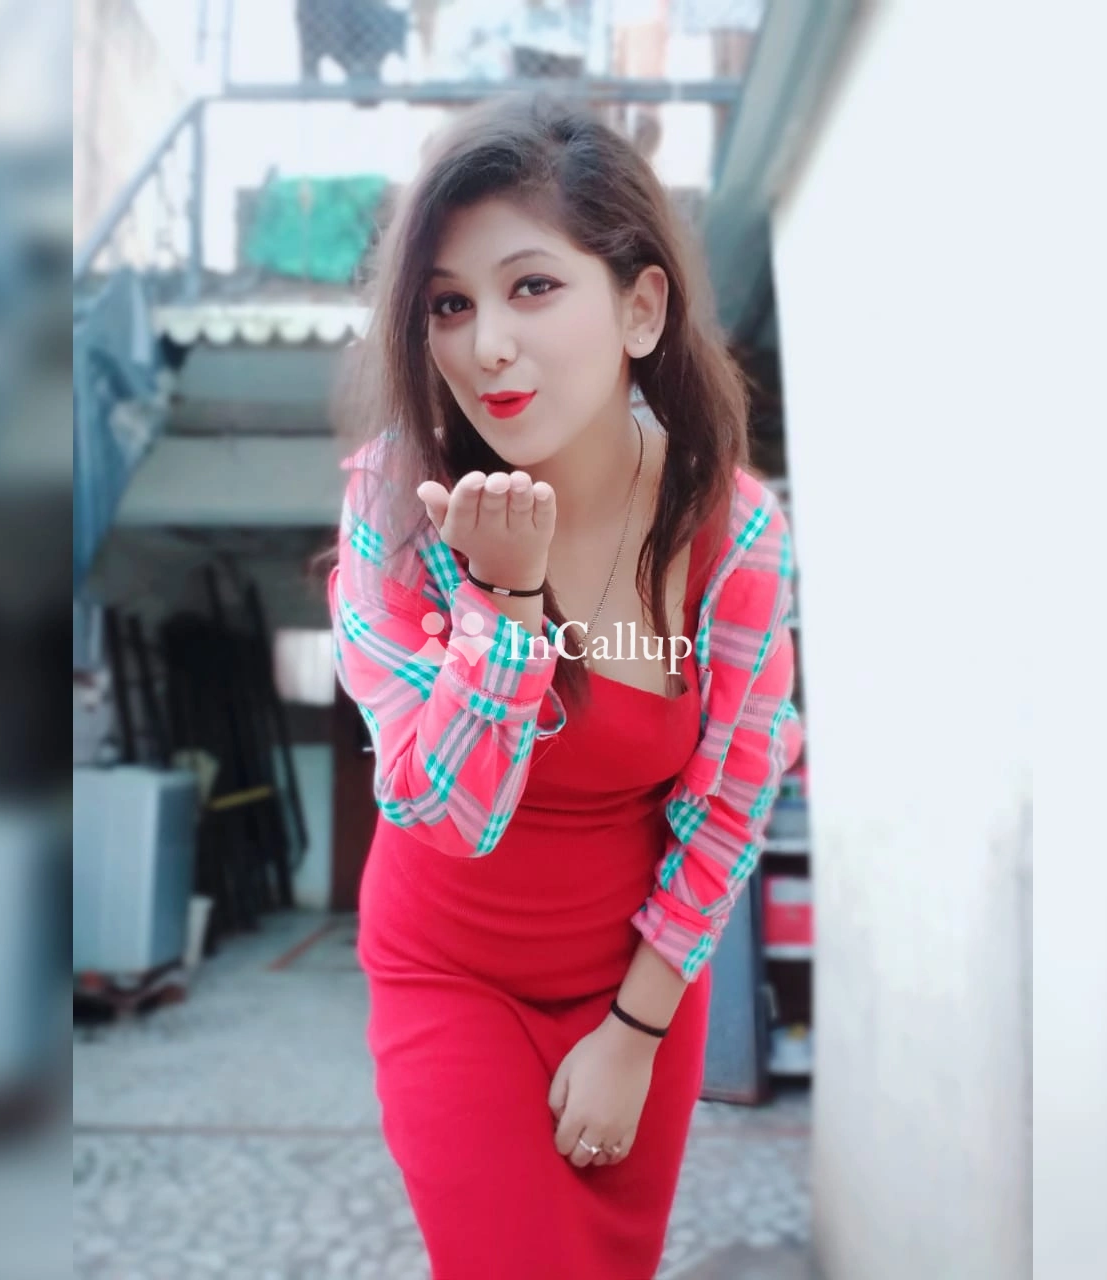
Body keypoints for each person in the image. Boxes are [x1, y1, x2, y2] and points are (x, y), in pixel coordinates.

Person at [329, 94, 801, 1279]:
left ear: (640, 307)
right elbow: (442, 809)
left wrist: (634, 1029)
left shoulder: (730, 532)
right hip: (446, 973)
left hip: (635, 981)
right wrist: (504, 605)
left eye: (531, 286)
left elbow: (730, 801)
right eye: (448, 303)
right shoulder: (396, 504)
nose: (485, 343)